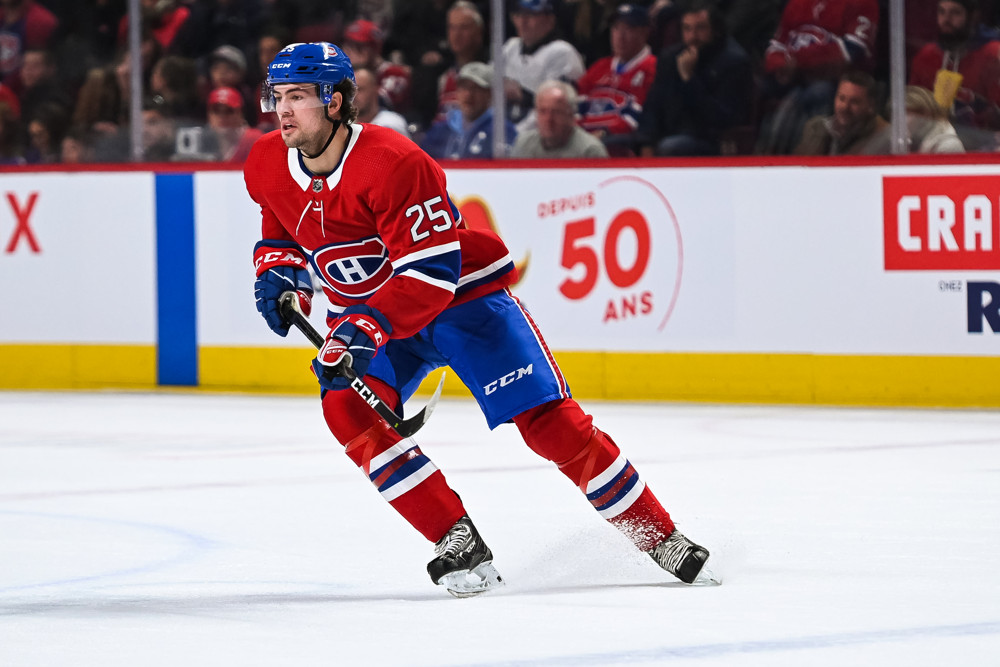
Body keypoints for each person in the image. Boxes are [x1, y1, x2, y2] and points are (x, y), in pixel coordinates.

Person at [246, 42, 714, 598]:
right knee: (346, 408)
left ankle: (659, 536)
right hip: (371, 316)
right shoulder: (266, 160)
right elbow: (280, 222)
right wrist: (279, 272)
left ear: (336, 101)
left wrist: (365, 325)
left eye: (298, 96)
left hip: (459, 303)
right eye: (278, 96)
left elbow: (431, 272)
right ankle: (457, 537)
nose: (283, 110)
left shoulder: (394, 162)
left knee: (550, 424)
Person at [756, 0, 880, 154]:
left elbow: (854, 49)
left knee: (816, 93)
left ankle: (807, 157)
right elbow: (777, 44)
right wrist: (780, 65)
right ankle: (765, 157)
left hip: (836, 78)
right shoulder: (797, 3)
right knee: (767, 87)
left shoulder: (862, 3)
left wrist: (797, 61)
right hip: (796, 75)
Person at [638, 0, 753, 156]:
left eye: (701, 28)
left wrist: (689, 79)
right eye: (687, 29)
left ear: (716, 30)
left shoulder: (734, 62)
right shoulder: (670, 58)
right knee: (617, 144)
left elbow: (723, 118)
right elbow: (653, 104)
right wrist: (646, 141)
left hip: (711, 139)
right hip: (671, 132)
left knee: (670, 146)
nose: (692, 36)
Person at [909, 0, 1000, 151]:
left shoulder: (993, 54)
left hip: (985, 143)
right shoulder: (926, 56)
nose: (946, 20)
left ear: (973, 16)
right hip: (935, 140)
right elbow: (912, 108)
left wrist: (981, 107)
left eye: (955, 13)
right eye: (941, 12)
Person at [576, 3, 658, 156]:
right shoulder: (600, 66)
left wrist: (604, 133)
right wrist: (575, 132)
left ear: (644, 33)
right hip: (583, 137)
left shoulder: (652, 68)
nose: (620, 36)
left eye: (628, 29)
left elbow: (640, 116)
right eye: (616, 28)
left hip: (616, 141)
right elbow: (577, 103)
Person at [502, 0, 585, 132]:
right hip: (503, 130)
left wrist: (524, 96)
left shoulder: (562, 53)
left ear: (550, 20)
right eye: (519, 14)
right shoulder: (510, 47)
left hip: (543, 135)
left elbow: (555, 110)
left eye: (531, 15)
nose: (523, 21)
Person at [422, 61, 515, 160]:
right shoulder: (440, 129)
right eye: (464, 87)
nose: (468, 94)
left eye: (476, 88)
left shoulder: (502, 131)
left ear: (489, 93)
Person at [794, 70, 887, 155]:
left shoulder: (883, 140)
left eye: (854, 102)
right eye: (841, 98)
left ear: (870, 106)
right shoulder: (815, 128)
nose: (845, 107)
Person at [512, 79, 609, 158]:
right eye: (542, 111)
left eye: (556, 112)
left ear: (571, 115)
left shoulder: (590, 151)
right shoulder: (523, 145)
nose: (548, 119)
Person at [205, 85, 263, 162]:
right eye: (216, 111)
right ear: (209, 114)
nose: (222, 116)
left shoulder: (254, 139)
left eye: (229, 111)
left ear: (240, 113)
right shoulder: (202, 140)